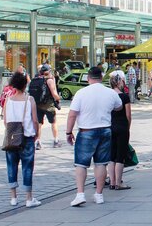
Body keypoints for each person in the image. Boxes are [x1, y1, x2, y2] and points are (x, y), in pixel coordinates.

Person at [65, 67, 123, 207]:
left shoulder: (81, 93)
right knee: (101, 163)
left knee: (81, 164)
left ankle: (80, 194)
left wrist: (68, 132)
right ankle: (99, 194)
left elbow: (72, 114)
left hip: (86, 131)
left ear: (88, 78)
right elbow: (119, 107)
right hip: (105, 130)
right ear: (101, 78)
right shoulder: (110, 93)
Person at [2, 72, 41, 208]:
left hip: (12, 138)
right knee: (27, 166)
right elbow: (35, 120)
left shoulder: (8, 100)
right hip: (27, 137)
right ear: (25, 85)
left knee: (11, 166)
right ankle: (29, 198)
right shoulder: (29, 100)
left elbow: (5, 121)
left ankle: (13, 197)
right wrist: (36, 133)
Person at [107, 73, 132, 190]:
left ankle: (111, 182)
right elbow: (128, 115)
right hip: (122, 127)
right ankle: (118, 182)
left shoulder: (108, 95)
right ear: (119, 82)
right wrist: (128, 127)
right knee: (120, 156)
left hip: (110, 127)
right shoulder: (124, 97)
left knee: (112, 156)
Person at [30, 64, 62, 150]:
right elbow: (54, 94)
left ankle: (38, 142)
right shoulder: (49, 80)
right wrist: (59, 98)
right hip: (48, 105)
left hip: (38, 105)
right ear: (48, 71)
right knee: (53, 122)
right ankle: (56, 141)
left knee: (39, 124)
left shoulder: (36, 80)